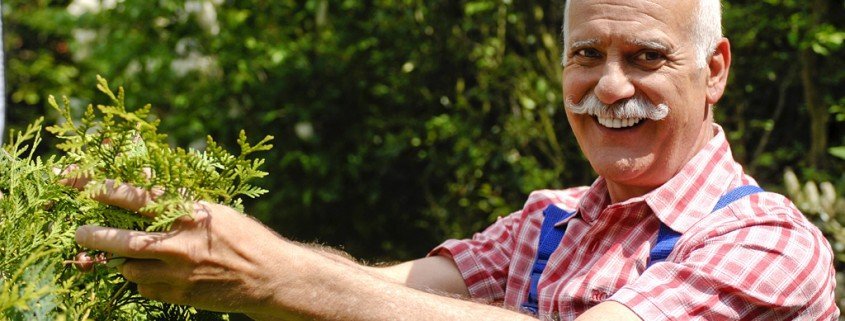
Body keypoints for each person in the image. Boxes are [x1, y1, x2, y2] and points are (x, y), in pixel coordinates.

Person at [71, 0, 839, 320]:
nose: (609, 86)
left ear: (714, 71)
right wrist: (168, 253)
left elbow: (321, 290)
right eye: (584, 55)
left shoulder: (770, 245)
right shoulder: (547, 223)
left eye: (645, 56)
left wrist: (273, 271)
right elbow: (380, 293)